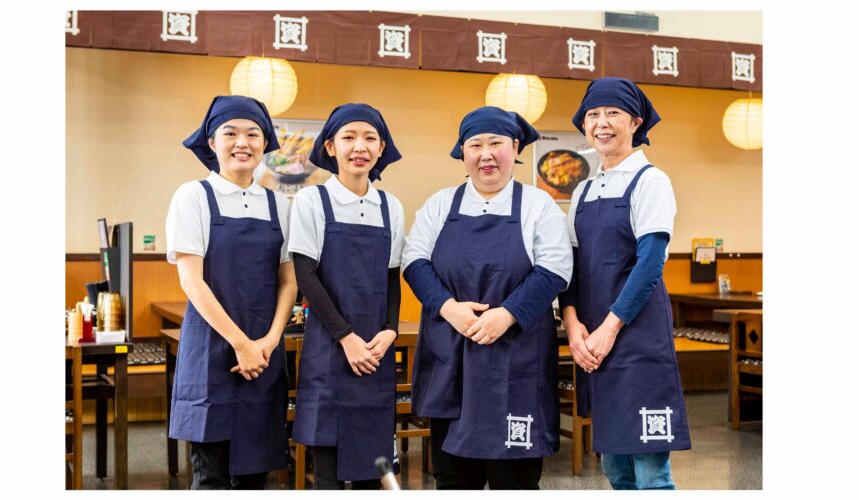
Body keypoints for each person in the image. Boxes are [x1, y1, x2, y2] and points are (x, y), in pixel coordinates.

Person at [403, 106, 572, 489]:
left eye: (496, 143)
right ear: (462, 152)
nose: (486, 154)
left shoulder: (538, 205)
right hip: (452, 355)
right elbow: (414, 260)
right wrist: (449, 308)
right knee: (453, 478)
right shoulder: (440, 204)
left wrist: (507, 314)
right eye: (475, 145)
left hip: (515, 358)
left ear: (515, 148)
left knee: (515, 479)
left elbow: (556, 269)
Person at [560, 77, 691, 490]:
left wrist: (609, 328)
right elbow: (571, 267)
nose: (602, 123)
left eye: (613, 113)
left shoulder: (651, 181)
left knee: (651, 471)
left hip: (637, 337)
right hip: (593, 340)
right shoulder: (582, 191)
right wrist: (573, 324)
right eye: (593, 115)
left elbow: (650, 264)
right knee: (615, 468)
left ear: (635, 122)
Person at [165, 95, 297, 489]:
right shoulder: (192, 197)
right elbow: (192, 281)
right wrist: (242, 344)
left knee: (256, 474)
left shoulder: (279, 205)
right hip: (212, 351)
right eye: (231, 133)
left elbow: (289, 281)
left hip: (263, 353)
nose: (243, 142)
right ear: (212, 142)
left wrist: (269, 342)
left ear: (265, 143)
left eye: (253, 134)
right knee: (211, 476)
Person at [289, 103, 405, 489]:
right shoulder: (312, 200)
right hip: (330, 349)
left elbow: (392, 276)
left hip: (375, 351)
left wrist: (390, 330)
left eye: (370, 138)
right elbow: (306, 276)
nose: (360, 147)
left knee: (374, 469)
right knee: (327, 470)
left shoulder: (390, 206)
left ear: (382, 148)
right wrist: (346, 337)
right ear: (330, 147)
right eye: (349, 137)